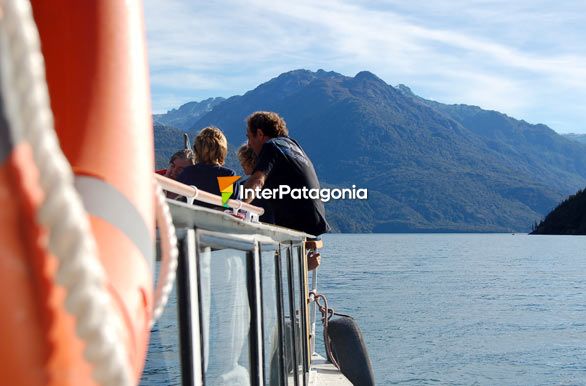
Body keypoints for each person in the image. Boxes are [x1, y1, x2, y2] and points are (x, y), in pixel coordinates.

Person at [177, 126, 237, 209]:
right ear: (222, 151)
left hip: (186, 219)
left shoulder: (187, 172)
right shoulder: (227, 176)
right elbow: (228, 207)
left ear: (196, 149)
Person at [237, 143, 274, 223]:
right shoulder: (273, 186)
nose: (241, 164)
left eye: (243, 160)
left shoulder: (243, 186)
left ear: (251, 160)